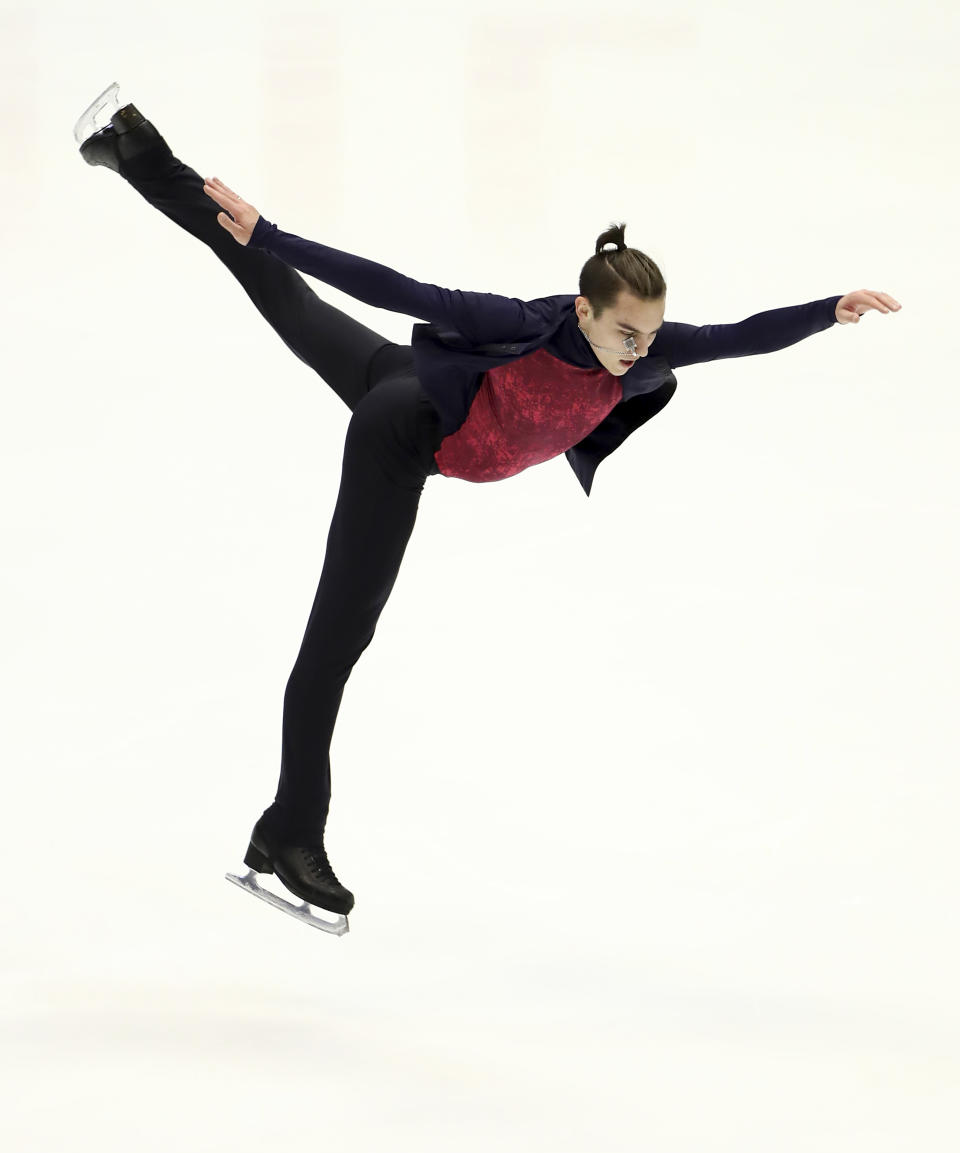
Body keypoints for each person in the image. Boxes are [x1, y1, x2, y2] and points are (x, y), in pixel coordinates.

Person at [74, 83, 902, 934]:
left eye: (651, 336)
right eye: (626, 335)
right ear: (586, 309)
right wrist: (277, 230)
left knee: (281, 295)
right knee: (335, 643)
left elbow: (738, 335)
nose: (640, 352)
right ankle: (292, 831)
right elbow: (399, 289)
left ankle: (138, 155)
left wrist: (826, 313)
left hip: (400, 380)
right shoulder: (527, 325)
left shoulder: (647, 350)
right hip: (400, 434)